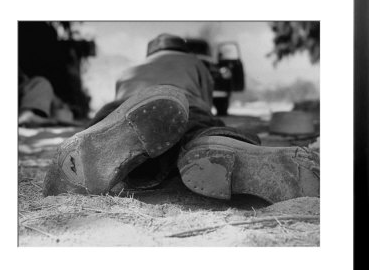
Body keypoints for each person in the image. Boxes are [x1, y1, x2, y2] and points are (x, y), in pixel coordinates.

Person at [43, 34, 319, 204]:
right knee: (200, 126)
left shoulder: (130, 70)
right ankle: (215, 143)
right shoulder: (195, 63)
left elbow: (119, 100)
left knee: (134, 144)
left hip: (122, 106)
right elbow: (208, 101)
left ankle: (117, 156)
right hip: (184, 105)